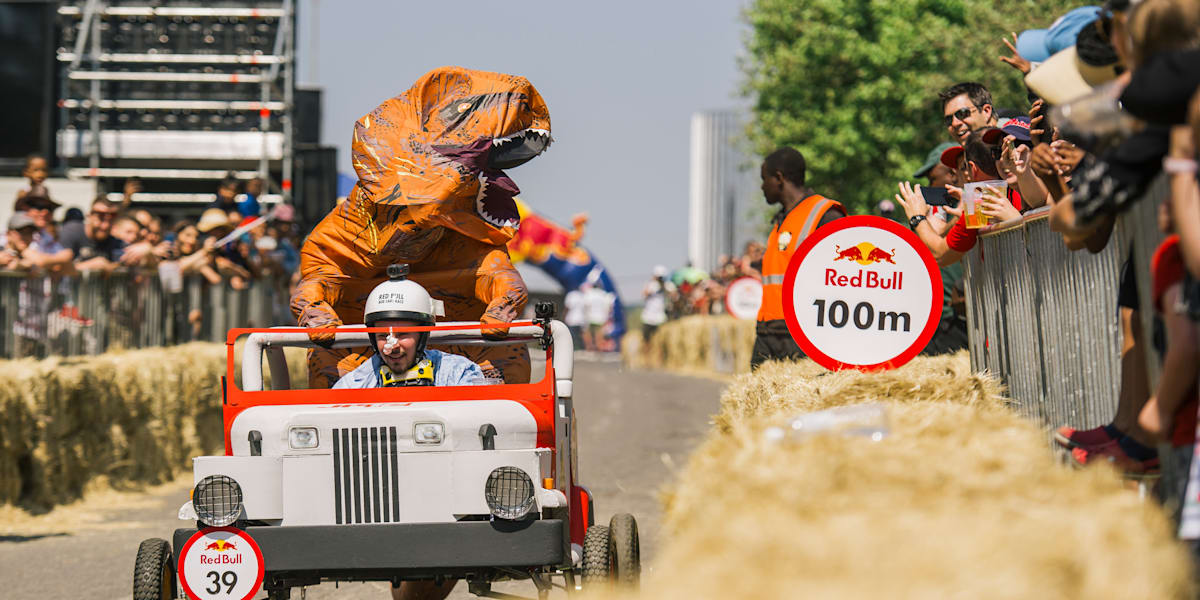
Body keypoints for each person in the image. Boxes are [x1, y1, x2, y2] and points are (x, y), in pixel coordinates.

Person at [752, 147, 845, 370]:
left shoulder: (825, 215)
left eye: (764, 180)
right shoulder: (782, 219)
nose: (762, 186)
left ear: (779, 178)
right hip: (769, 331)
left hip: (800, 335)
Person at [334, 266, 484, 389]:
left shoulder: (459, 373)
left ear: (422, 336)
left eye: (402, 335)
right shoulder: (354, 384)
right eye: (382, 335)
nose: (392, 346)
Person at [59, 197, 124, 270]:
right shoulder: (72, 231)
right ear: (89, 216)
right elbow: (58, 267)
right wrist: (88, 266)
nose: (105, 226)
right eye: (100, 218)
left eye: (111, 219)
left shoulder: (115, 241)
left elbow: (124, 261)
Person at [641, 265, 673, 343]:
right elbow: (644, 294)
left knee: (661, 340)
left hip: (660, 317)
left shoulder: (667, 285)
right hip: (648, 317)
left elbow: (674, 294)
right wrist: (652, 290)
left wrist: (664, 288)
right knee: (646, 340)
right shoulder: (651, 285)